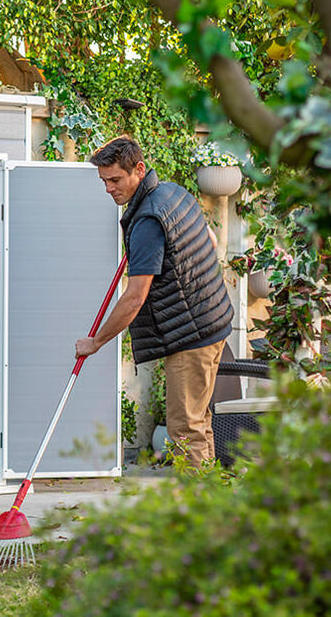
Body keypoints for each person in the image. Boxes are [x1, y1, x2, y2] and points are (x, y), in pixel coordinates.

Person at [75, 137, 233, 466]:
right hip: (213, 321)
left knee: (184, 429)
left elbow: (134, 298)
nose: (109, 189)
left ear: (139, 169)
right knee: (198, 420)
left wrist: (96, 342)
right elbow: (210, 238)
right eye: (104, 181)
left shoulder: (147, 221)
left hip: (191, 337)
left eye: (115, 179)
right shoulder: (173, 193)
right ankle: (211, 493)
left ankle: (196, 498)